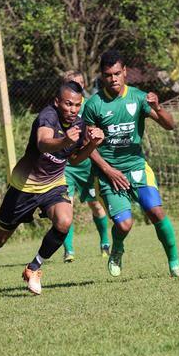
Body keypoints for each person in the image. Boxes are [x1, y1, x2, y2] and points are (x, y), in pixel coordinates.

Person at [0, 81, 104, 301]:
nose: (72, 110)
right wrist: (64, 139)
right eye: (68, 104)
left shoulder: (79, 126)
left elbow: (73, 158)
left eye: (77, 105)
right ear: (57, 102)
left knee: (64, 221)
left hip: (53, 184)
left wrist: (92, 144)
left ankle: (34, 267)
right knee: (0, 238)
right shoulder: (47, 116)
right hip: (24, 186)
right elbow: (43, 143)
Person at [83, 50, 179, 278]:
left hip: (137, 168)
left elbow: (170, 126)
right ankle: (117, 249)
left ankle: (174, 264)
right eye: (109, 75)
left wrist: (158, 107)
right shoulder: (93, 105)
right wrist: (109, 171)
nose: (114, 79)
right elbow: (87, 148)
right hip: (108, 174)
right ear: (102, 76)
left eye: (117, 73)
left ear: (125, 72)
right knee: (124, 225)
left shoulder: (139, 98)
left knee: (156, 212)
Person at [61, 70, 110, 262]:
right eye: (72, 82)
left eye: (80, 82)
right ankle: (69, 251)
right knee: (66, 206)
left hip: (87, 163)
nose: (77, 86)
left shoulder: (91, 105)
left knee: (96, 205)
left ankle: (105, 243)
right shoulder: (59, 108)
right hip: (66, 166)